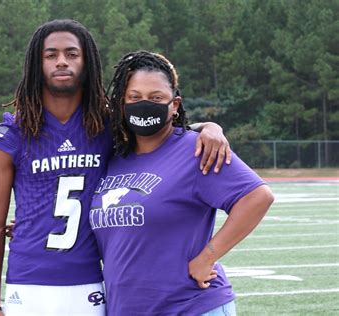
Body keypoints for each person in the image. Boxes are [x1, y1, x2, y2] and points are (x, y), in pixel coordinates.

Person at [0, 20, 231, 316]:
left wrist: (209, 127)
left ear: (87, 62)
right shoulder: (11, 134)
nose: (62, 61)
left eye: (72, 54)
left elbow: (161, 130)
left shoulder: (107, 124)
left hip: (92, 282)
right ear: (37, 63)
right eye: (51, 55)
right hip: (29, 281)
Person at [89, 51, 274, 315]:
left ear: (174, 105)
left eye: (156, 98)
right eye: (134, 97)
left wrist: (208, 256)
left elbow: (257, 196)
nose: (144, 105)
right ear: (121, 102)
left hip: (191, 306)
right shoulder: (114, 156)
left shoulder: (196, 149)